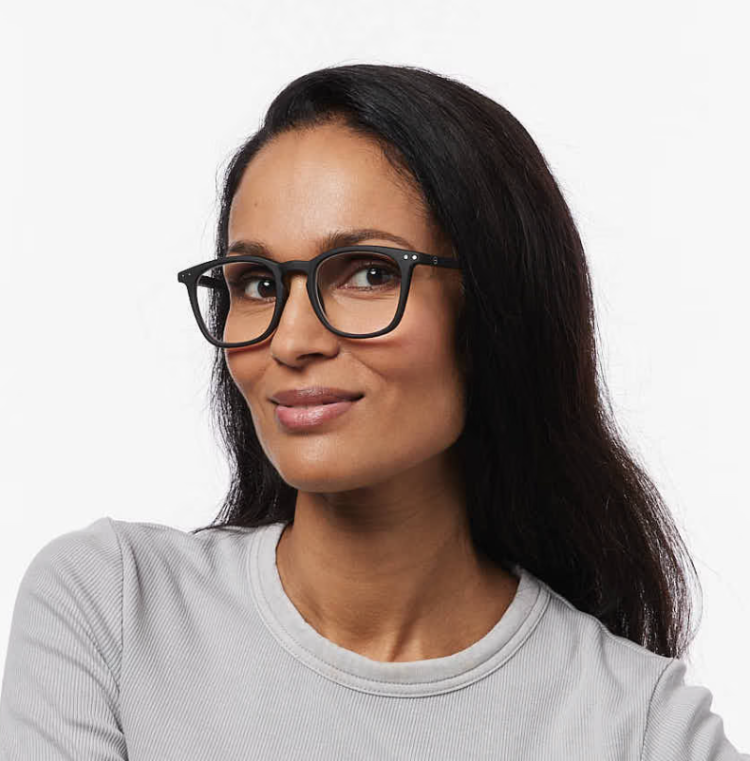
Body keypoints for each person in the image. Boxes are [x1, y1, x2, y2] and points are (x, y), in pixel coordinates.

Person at [0, 63, 746, 760]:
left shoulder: (643, 725)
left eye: (367, 272)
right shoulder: (113, 607)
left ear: (496, 311)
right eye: (257, 283)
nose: (291, 340)